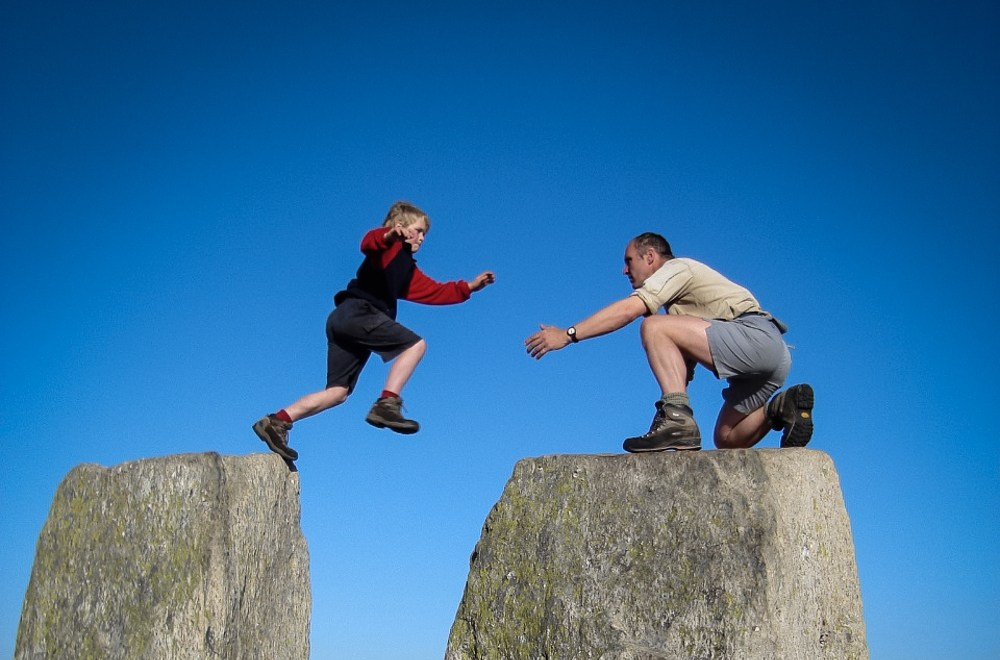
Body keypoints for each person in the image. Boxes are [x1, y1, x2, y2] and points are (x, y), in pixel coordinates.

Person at [524, 232, 812, 452]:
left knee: (652, 326)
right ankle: (781, 408)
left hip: (755, 336)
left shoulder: (676, 269)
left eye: (629, 261)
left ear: (650, 257)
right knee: (727, 438)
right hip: (771, 359)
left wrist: (567, 335)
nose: (625, 271)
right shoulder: (679, 308)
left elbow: (629, 310)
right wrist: (670, 399)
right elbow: (681, 374)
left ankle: (677, 420)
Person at [254, 201, 496, 461]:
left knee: (338, 393)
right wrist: (389, 235)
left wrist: (469, 287)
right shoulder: (389, 248)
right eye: (419, 230)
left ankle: (277, 421)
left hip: (343, 321)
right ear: (401, 227)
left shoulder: (406, 271)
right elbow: (368, 243)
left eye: (426, 233)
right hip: (358, 313)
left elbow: (436, 291)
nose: (423, 238)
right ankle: (387, 403)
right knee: (416, 345)